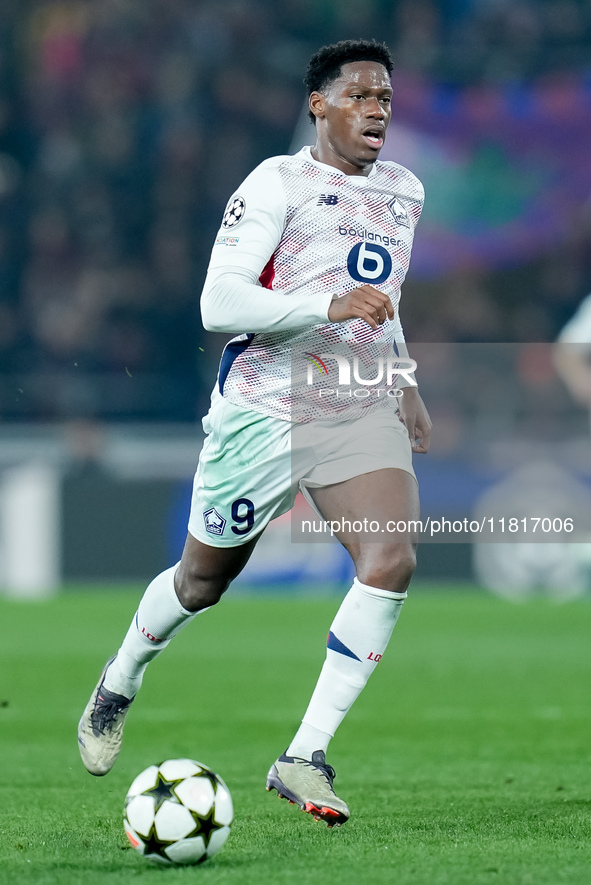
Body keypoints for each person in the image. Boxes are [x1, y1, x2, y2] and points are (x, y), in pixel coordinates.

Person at [78, 38, 432, 828]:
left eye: (385, 98)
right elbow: (220, 304)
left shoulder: (404, 191)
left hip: (351, 402)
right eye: (361, 96)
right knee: (202, 581)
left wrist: (402, 380)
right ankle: (122, 676)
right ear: (319, 104)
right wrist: (327, 307)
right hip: (264, 407)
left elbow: (385, 293)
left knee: (391, 556)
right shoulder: (276, 183)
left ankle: (304, 752)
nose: (377, 110)